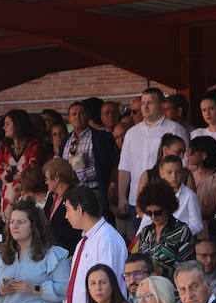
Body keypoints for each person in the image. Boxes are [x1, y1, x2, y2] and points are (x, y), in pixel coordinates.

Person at [116, 89, 187, 224]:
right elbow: (125, 166)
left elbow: (184, 164)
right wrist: (121, 198)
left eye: (150, 102)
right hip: (135, 201)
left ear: (161, 105)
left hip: (165, 201)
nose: (145, 107)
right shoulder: (131, 133)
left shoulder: (175, 129)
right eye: (143, 103)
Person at [133, 182, 195, 272]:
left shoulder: (181, 230)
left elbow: (189, 267)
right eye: (149, 213)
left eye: (157, 212)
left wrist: (163, 271)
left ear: (168, 208)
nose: (153, 217)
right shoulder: (146, 232)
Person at [61, 100, 116, 199]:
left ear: (88, 116)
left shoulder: (101, 137)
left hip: (94, 192)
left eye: (82, 113)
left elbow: (107, 166)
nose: (77, 117)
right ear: (69, 119)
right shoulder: (66, 140)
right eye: (74, 114)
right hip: (70, 193)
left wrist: (77, 176)